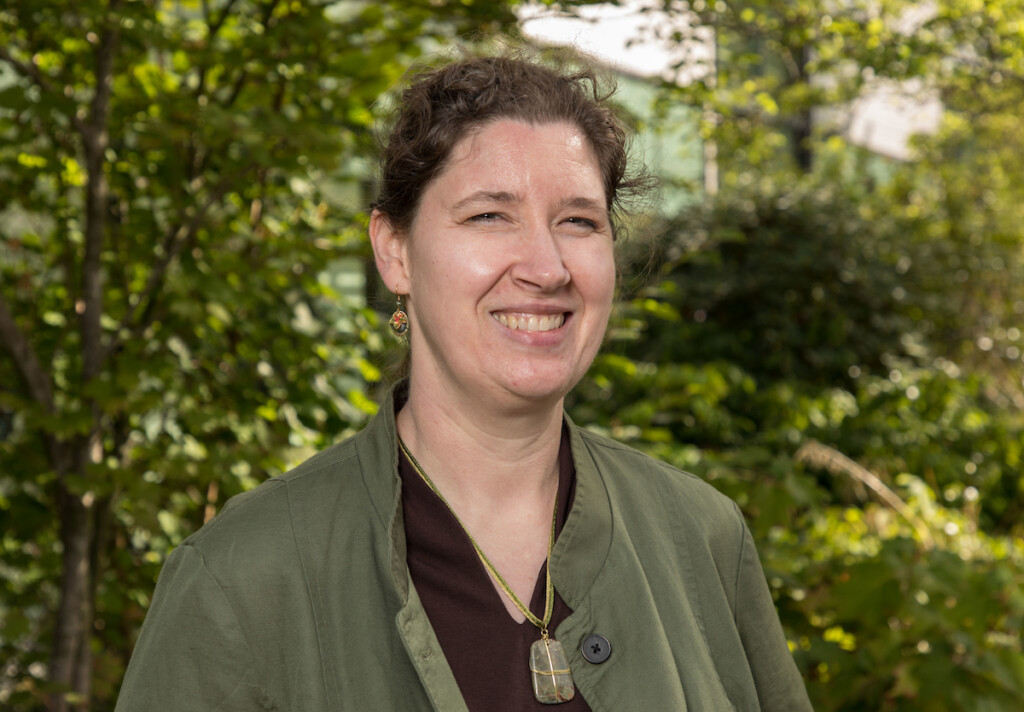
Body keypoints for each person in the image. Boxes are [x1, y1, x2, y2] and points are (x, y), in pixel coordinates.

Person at [115, 52, 812, 711]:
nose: (547, 266)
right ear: (395, 252)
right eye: (488, 215)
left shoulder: (704, 538)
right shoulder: (240, 578)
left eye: (578, 221)